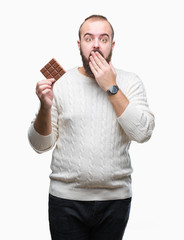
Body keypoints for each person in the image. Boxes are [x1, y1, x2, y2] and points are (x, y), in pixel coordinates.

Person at [28, 14, 155, 240]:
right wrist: (44, 107)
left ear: (112, 45)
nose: (96, 44)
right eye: (89, 38)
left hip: (115, 200)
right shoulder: (61, 83)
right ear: (79, 45)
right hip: (65, 201)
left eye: (103, 39)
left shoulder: (130, 81)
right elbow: (40, 146)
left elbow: (143, 132)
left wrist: (111, 87)